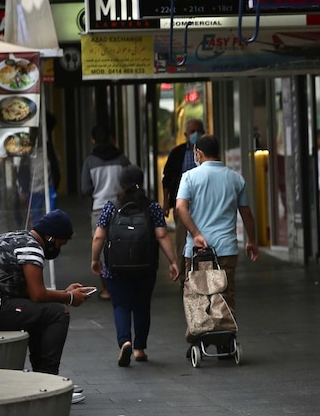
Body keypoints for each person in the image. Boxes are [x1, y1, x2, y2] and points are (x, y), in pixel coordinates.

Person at [0, 209, 94, 404]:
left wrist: (63, 292)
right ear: (50, 237)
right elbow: (38, 294)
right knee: (58, 313)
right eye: (61, 242)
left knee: (42, 312)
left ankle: (42, 379)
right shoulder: (32, 248)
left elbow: (27, 292)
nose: (60, 247)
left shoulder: (20, 237)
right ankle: (50, 383)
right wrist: (68, 298)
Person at [91, 165, 180, 366]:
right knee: (142, 306)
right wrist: (173, 262)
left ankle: (125, 342)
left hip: (115, 267)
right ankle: (140, 349)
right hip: (145, 266)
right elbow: (162, 235)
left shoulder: (111, 206)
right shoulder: (153, 207)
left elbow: (99, 236)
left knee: (121, 305)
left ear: (120, 183)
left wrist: (95, 260)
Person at [175, 134, 259, 315]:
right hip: (226, 249)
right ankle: (225, 336)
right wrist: (252, 240)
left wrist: (196, 234)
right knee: (225, 295)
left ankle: (198, 335)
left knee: (197, 296)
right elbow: (246, 214)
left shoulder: (189, 177)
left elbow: (181, 207)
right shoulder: (236, 179)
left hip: (197, 250)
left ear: (198, 153)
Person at [81, 124, 130, 300]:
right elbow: (131, 180)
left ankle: (107, 289)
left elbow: (85, 189)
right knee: (122, 244)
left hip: (99, 209)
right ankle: (124, 285)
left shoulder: (90, 161)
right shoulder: (122, 159)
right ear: (110, 138)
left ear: (93, 140)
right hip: (122, 207)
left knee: (101, 247)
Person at [162, 118, 205, 274]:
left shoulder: (207, 154)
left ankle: (202, 274)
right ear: (186, 134)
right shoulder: (178, 153)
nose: (194, 134)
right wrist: (166, 203)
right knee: (182, 241)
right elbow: (166, 179)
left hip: (203, 204)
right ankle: (183, 275)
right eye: (191, 131)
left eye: (197, 131)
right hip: (183, 205)